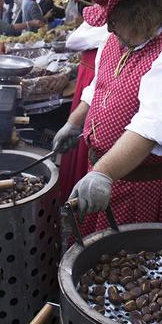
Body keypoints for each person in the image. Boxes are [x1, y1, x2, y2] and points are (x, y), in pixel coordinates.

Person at [53, 0, 162, 234]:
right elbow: (97, 88)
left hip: (145, 190)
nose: (110, 29)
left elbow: (151, 127)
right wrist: (74, 123)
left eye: (115, 21)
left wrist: (103, 172)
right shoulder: (115, 41)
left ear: (143, 17)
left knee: (139, 266)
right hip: (106, 177)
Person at [58, 20, 109, 202]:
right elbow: (101, 81)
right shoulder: (113, 37)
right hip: (90, 83)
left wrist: (105, 172)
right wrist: (74, 121)